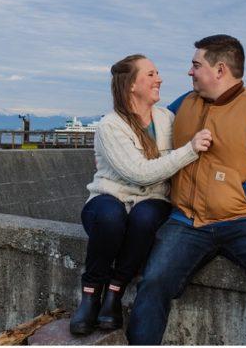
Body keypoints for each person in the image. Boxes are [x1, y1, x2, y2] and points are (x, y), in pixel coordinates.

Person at [127, 34, 246, 345]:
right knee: (154, 280)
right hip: (187, 220)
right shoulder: (183, 104)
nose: (190, 71)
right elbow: (146, 136)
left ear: (220, 69)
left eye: (196, 64)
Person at [69, 54, 214, 335]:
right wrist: (190, 149)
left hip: (152, 201)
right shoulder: (110, 125)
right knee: (110, 217)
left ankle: (114, 293)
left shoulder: (166, 118)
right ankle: (90, 295)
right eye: (151, 74)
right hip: (108, 198)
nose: (159, 79)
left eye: (157, 73)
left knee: (146, 217)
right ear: (132, 85)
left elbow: (162, 173)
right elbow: (140, 173)